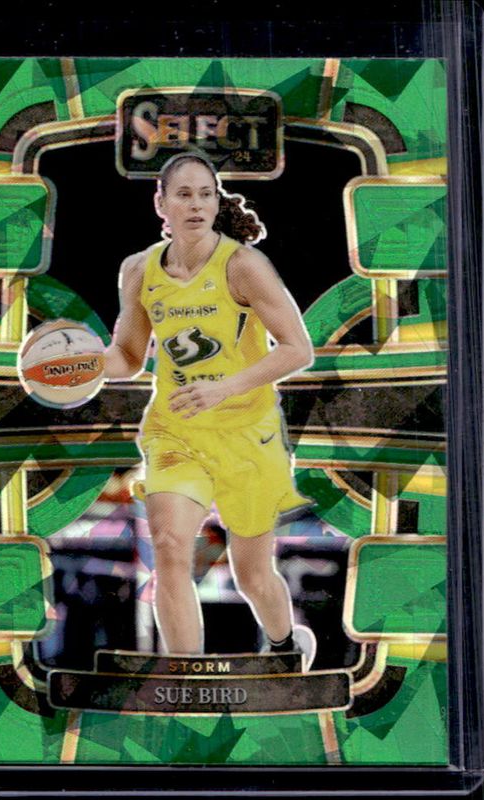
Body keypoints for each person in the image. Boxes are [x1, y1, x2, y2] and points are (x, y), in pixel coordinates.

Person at [103, 151, 316, 668]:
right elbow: (127, 357)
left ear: (217, 203)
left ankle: (285, 645)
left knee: (252, 576)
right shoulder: (138, 270)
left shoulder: (244, 266)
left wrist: (225, 387)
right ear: (161, 203)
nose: (196, 205)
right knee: (169, 546)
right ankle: (187, 678)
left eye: (206, 194)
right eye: (184, 195)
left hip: (248, 435)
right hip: (176, 432)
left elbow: (297, 350)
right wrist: (78, 365)